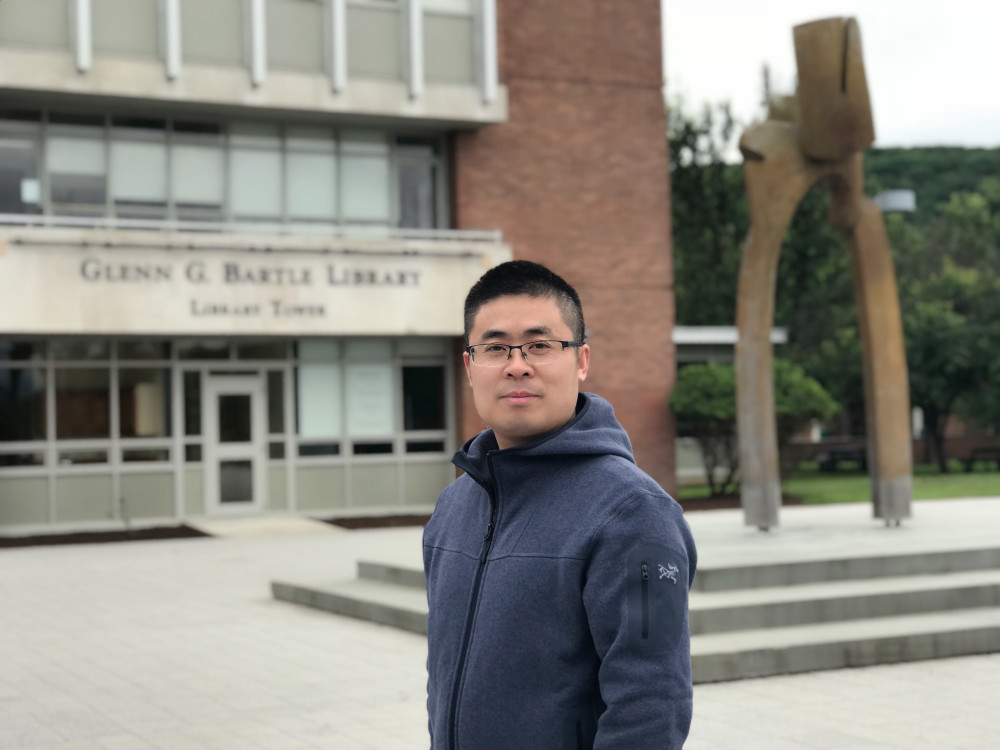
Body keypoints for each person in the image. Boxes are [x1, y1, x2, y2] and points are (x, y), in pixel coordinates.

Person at [423, 260, 697, 750]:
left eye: (540, 345)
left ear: (581, 360)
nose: (517, 365)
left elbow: (654, 703)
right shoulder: (454, 507)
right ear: (469, 367)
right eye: (494, 348)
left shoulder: (636, 514)